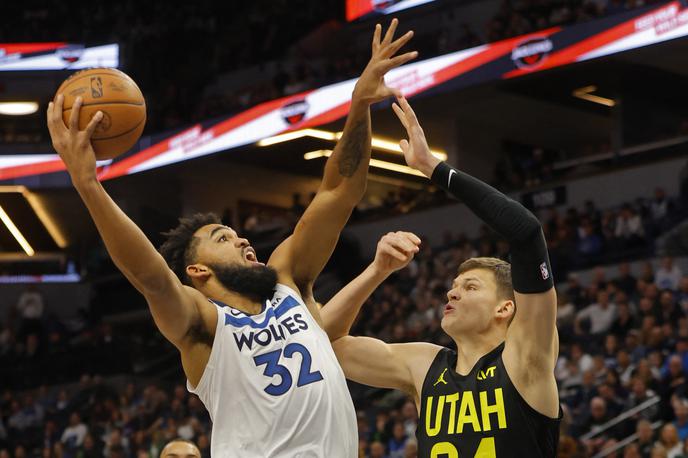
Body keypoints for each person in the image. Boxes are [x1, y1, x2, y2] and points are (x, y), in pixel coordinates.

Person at [46, 19, 418, 457]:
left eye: (237, 234)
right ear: (198, 270)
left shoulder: (288, 282)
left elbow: (338, 192)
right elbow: (151, 277)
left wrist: (359, 105)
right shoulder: (203, 326)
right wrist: (89, 185)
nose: (243, 240)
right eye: (223, 238)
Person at [326, 96, 561, 457]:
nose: (452, 295)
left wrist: (432, 166)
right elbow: (324, 341)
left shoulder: (525, 357)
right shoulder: (423, 365)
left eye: (470, 287)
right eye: (453, 287)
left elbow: (526, 232)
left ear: (505, 309)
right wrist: (377, 271)